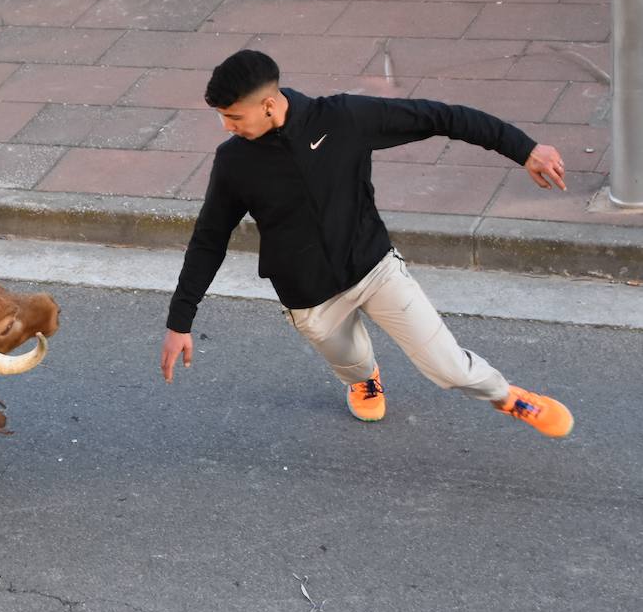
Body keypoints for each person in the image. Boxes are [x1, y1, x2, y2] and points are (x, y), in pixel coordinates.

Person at [159, 48, 574, 438]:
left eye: (233, 116)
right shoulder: (234, 161)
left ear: (268, 105)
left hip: (374, 269)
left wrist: (525, 149)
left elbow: (442, 117)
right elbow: (209, 239)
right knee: (354, 364)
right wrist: (181, 320)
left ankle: (509, 397)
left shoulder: (342, 119)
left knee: (449, 367)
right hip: (310, 298)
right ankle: (365, 381)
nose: (227, 127)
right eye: (222, 118)